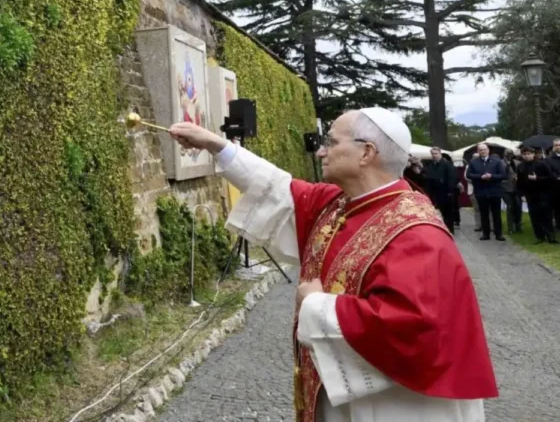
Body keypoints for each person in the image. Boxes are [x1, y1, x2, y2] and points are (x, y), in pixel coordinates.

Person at [169, 108, 497, 421]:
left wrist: (316, 304)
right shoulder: (341, 204)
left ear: (366, 153)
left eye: (332, 142)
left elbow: (411, 328)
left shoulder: (418, 234)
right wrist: (216, 145)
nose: (320, 152)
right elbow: (278, 188)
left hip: (396, 406)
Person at [466, 143, 508, 241]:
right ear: (478, 151)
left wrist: (491, 176)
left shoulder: (497, 161)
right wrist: (480, 177)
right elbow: (469, 175)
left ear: (488, 150)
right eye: (480, 150)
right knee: (483, 213)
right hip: (481, 191)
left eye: (484, 149)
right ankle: (486, 234)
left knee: (496, 214)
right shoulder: (473, 162)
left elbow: (503, 175)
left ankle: (498, 234)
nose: (483, 151)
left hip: (495, 191)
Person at [517, 146, 557, 244]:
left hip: (543, 194)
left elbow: (551, 178)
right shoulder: (520, 166)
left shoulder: (541, 164)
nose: (527, 156)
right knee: (534, 216)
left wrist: (537, 178)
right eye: (524, 154)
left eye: (529, 154)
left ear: (533, 154)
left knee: (546, 216)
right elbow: (520, 182)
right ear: (522, 155)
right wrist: (521, 194)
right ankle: (539, 236)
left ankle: (551, 237)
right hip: (530, 195)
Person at [423, 147, 459, 233]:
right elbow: (428, 177)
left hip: (446, 192)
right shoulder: (431, 165)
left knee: (448, 213)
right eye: (433, 154)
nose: (434, 155)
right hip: (435, 192)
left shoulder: (447, 164)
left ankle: (449, 230)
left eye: (436, 153)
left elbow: (452, 177)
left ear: (440, 154)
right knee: (439, 212)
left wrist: (450, 191)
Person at [501, 149, 523, 234]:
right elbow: (501, 175)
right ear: (504, 154)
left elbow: (522, 173)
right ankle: (510, 227)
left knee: (518, 206)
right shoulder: (500, 163)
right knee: (510, 206)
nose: (509, 155)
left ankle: (518, 225)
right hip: (505, 188)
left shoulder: (517, 162)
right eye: (508, 153)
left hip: (516, 188)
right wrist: (507, 167)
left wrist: (518, 177)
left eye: (511, 154)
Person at [544, 138, 560, 231]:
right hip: (555, 187)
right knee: (556, 208)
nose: (558, 147)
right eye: (556, 145)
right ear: (553, 147)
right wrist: (557, 177)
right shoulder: (549, 160)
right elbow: (549, 171)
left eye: (559, 145)